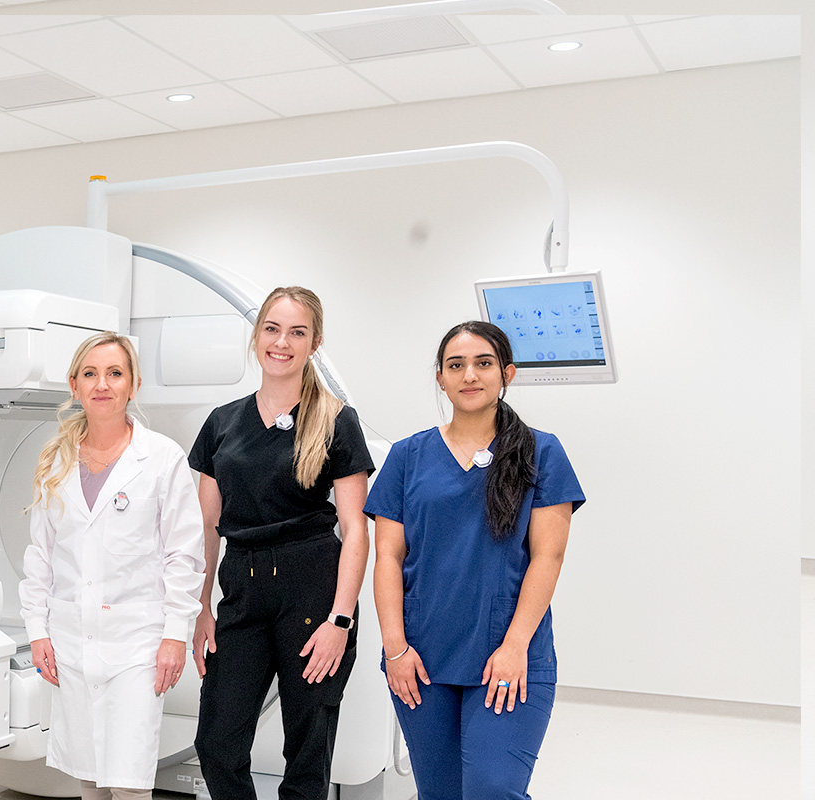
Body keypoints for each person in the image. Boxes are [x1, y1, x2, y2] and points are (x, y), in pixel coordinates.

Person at [364, 321, 583, 800]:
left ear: (507, 373)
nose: (470, 375)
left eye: (483, 364)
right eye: (456, 365)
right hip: (422, 658)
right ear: (440, 377)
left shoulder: (541, 452)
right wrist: (395, 647)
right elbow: (386, 558)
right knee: (439, 794)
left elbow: (549, 555)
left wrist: (515, 646)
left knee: (492, 789)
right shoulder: (406, 456)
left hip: (508, 653)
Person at [189, 287, 375, 800]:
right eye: (272, 329)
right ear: (257, 337)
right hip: (241, 588)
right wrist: (202, 606)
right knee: (217, 742)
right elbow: (206, 526)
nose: (282, 342)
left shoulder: (337, 421)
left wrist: (341, 619)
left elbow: (355, 528)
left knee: (307, 750)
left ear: (314, 343)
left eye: (297, 332)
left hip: (312, 590)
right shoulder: (222, 423)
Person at [20, 332, 204, 800]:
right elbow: (41, 553)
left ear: (133, 384)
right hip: (70, 637)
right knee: (88, 775)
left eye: (115, 373)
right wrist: (36, 630)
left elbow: (183, 554)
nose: (103, 384)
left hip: (137, 642)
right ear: (74, 385)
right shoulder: (54, 461)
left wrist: (174, 635)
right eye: (90, 374)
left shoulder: (162, 458)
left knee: (128, 782)